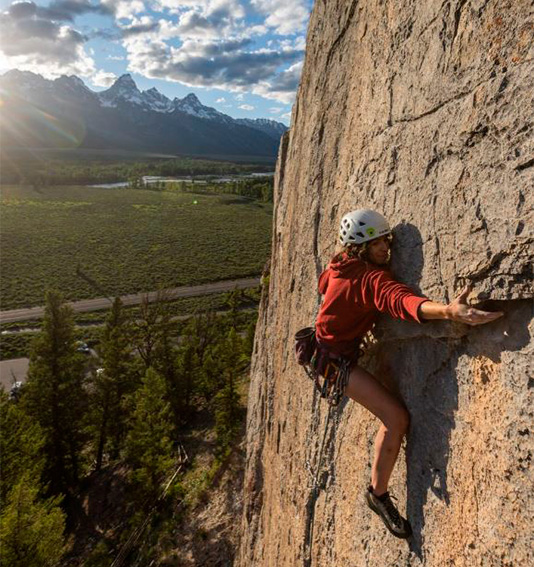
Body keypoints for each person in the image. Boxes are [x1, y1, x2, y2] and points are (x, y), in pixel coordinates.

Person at [314, 209, 503, 539]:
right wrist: (447, 310)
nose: (387, 247)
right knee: (396, 418)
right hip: (334, 361)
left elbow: (326, 283)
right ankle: (378, 494)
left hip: (328, 347)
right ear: (361, 246)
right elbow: (401, 301)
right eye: (380, 242)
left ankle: (378, 490)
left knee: (392, 414)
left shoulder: (340, 263)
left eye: (387, 239)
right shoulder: (368, 278)